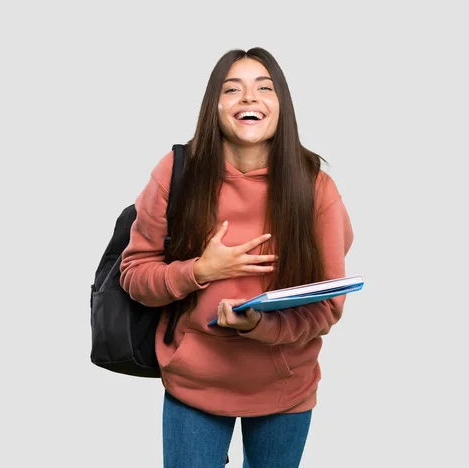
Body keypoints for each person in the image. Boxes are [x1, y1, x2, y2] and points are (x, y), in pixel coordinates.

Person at [120, 47, 354, 468]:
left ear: (281, 105)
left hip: (286, 386)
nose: (249, 98)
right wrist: (199, 271)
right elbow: (135, 276)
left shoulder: (315, 188)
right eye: (233, 89)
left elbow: (328, 306)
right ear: (215, 106)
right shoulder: (176, 173)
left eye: (264, 88)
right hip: (195, 385)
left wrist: (260, 324)